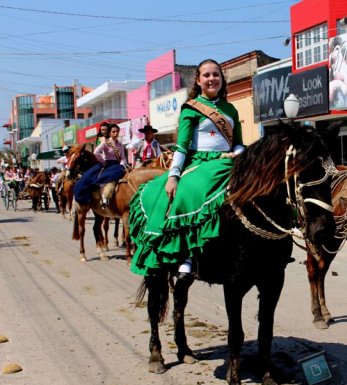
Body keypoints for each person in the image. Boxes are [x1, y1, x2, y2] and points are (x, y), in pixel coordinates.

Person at [129, 58, 245, 284]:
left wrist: (239, 154)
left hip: (228, 161)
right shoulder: (191, 108)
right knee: (194, 191)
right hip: (199, 162)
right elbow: (182, 146)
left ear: (222, 79)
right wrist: (173, 176)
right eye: (206, 75)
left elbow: (238, 143)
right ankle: (187, 253)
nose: (212, 78)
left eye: (216, 74)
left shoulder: (230, 109)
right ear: (198, 81)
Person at [73, 123, 127, 207]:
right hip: (107, 164)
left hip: (118, 165)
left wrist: (122, 164)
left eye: (117, 131)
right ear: (109, 133)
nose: (116, 133)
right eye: (113, 132)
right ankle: (101, 197)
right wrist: (103, 161)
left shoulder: (120, 145)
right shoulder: (106, 143)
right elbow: (96, 152)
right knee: (89, 177)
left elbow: (123, 157)